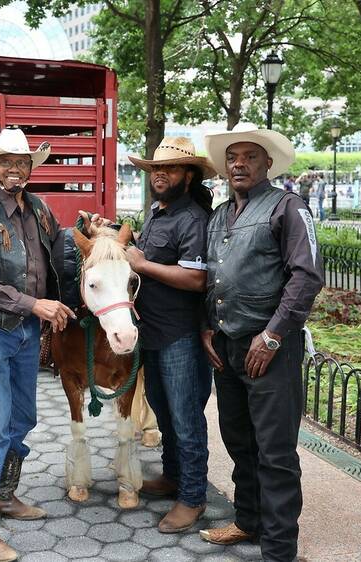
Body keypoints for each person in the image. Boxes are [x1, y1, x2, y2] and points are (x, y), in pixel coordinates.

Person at [199, 123, 324, 562]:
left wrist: (272, 335)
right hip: (229, 346)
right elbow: (210, 277)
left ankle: (278, 549)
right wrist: (206, 326)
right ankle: (248, 519)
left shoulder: (288, 207)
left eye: (250, 156)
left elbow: (306, 277)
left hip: (270, 348)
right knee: (238, 440)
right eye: (233, 157)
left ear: (267, 163)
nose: (239, 164)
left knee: (275, 450)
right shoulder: (218, 215)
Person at [0, 128, 77, 562]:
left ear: (29, 168)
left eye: (22, 163)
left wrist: (93, 238)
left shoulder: (39, 209)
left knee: (22, 416)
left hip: (26, 332)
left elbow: (61, 253)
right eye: (6, 163)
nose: (14, 170)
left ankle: (4, 495)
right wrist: (34, 304)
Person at [124, 136, 214, 533]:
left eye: (170, 169)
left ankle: (193, 497)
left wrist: (142, 265)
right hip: (152, 332)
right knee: (162, 411)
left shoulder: (192, 218)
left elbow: (196, 278)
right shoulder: (158, 213)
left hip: (181, 336)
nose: (160, 175)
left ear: (188, 175)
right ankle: (173, 476)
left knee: (185, 418)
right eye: (155, 169)